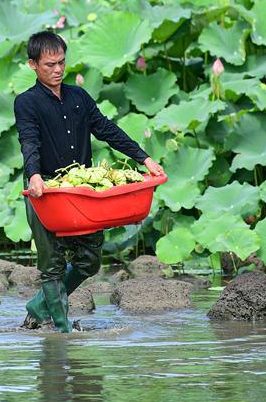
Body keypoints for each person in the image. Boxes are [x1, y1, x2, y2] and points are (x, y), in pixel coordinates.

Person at [14, 31, 164, 332]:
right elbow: (29, 141)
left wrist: (143, 158)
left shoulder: (78, 97)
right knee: (52, 263)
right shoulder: (27, 102)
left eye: (61, 62)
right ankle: (62, 329)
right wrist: (33, 177)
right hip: (45, 188)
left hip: (81, 189)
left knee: (89, 259)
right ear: (33, 65)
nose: (57, 70)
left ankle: (39, 306)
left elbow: (106, 129)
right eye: (49, 65)